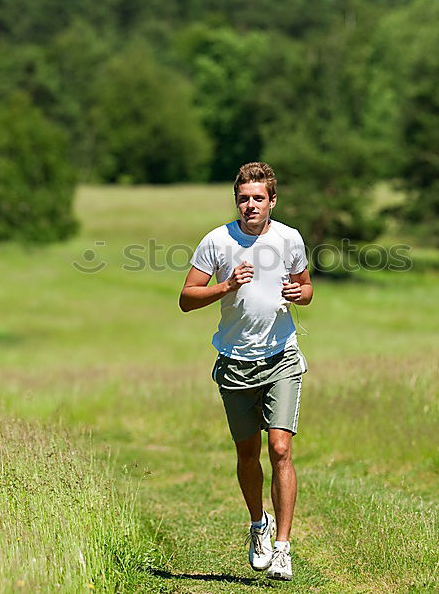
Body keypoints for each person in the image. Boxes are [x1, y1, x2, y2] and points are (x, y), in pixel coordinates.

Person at [179, 161, 313, 581]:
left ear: (273, 200)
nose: (250, 205)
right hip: (235, 362)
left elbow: (306, 288)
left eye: (258, 198)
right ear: (236, 201)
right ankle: (259, 523)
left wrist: (301, 293)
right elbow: (186, 297)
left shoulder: (289, 238)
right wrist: (227, 285)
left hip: (282, 356)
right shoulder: (217, 241)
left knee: (280, 449)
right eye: (243, 198)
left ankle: (283, 548)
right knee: (247, 454)